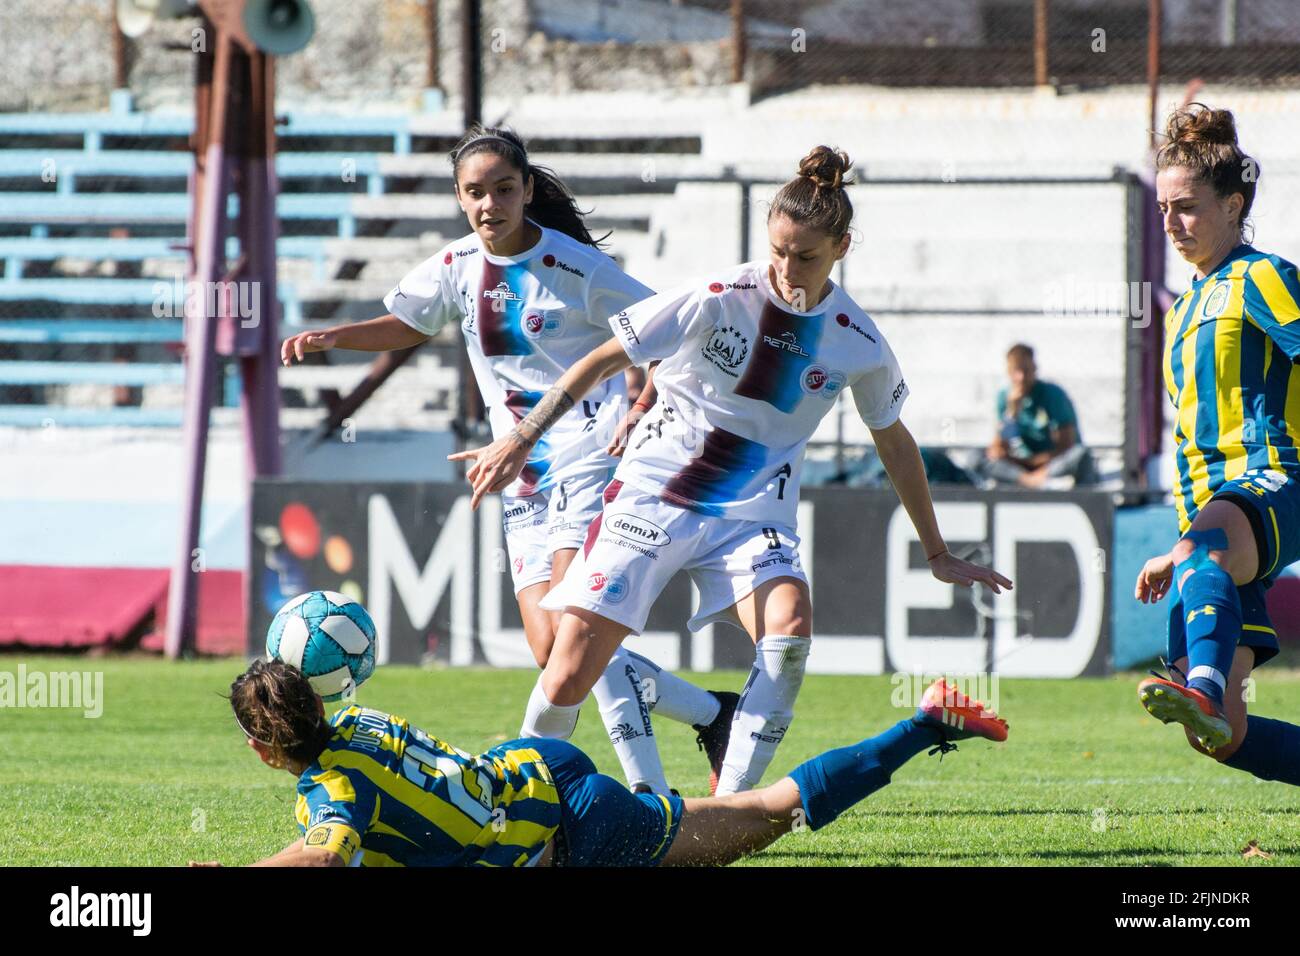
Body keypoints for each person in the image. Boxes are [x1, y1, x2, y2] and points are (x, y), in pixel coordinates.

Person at [451, 145, 1013, 797]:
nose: (786, 269)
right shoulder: (720, 294)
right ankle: (514, 806)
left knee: (791, 628)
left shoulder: (857, 342)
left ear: (842, 248)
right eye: (778, 250)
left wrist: (936, 550)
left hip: (750, 517)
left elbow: (893, 440)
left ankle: (721, 817)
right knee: (569, 667)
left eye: (805, 256)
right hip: (651, 498)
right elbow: (604, 358)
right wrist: (523, 435)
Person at [280, 125, 733, 796]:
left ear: (525, 190)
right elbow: (414, 322)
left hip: (587, 456)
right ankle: (711, 713)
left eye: (502, 189)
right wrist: (334, 338)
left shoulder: (579, 270)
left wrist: (639, 407)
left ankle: (650, 797)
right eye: (474, 193)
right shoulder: (456, 266)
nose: (489, 204)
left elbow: (668, 332)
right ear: (460, 198)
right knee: (554, 652)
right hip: (519, 473)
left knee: (579, 631)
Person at [187, 659, 1007, 867]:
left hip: (574, 826)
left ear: (262, 750)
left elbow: (327, 848)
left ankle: (925, 719)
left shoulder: (330, 789)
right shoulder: (358, 722)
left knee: (765, 818)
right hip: (532, 763)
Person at [1134, 103, 1300, 788]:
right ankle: (1209, 690)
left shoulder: (1262, 276)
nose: (1172, 223)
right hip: (1206, 517)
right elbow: (1192, 438)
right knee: (1223, 735)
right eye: (1165, 208)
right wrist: (1181, 542)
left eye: (1188, 208)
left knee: (1204, 690)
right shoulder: (1181, 309)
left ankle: (1198, 679)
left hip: (1274, 477)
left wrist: (1197, 542)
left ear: (1234, 206)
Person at [981, 343, 1094, 489]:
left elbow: (1066, 445)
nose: (1021, 378)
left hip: (1051, 464)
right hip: (1021, 467)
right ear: (1008, 372)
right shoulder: (1004, 397)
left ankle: (1036, 480)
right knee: (976, 457)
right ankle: (1025, 480)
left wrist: (1039, 467)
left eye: (1026, 371)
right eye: (1016, 371)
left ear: (1034, 369)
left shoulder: (1053, 395)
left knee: (1081, 454)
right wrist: (1012, 414)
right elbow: (998, 449)